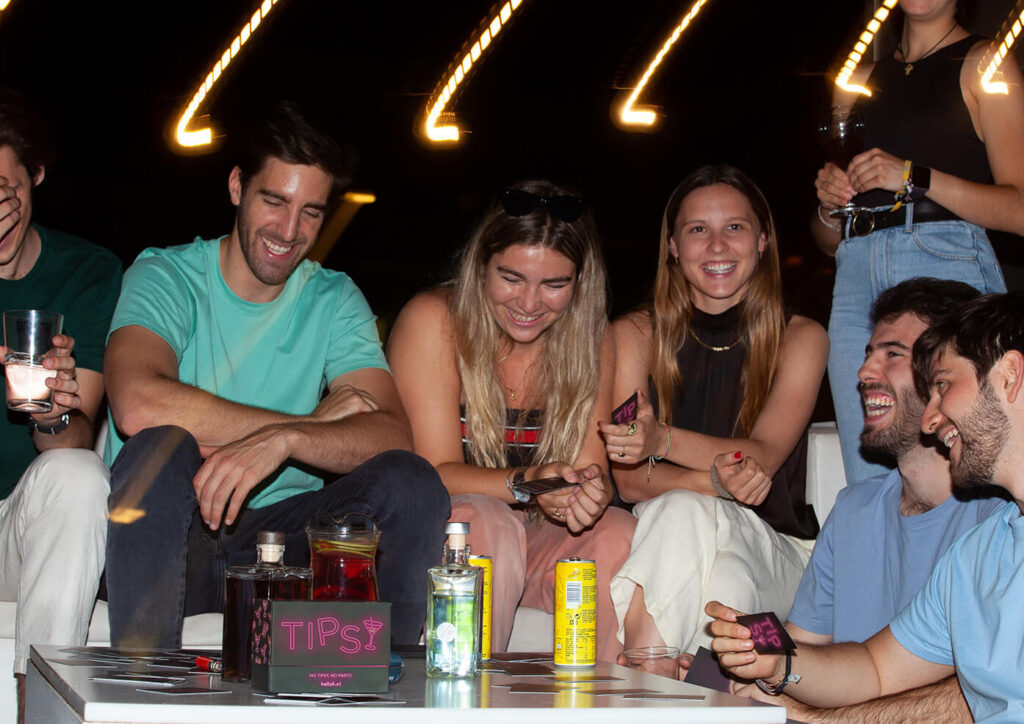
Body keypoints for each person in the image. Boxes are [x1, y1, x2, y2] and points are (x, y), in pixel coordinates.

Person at [103, 102, 449, 649]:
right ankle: (143, 691)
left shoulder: (333, 297)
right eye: (275, 201)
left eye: (312, 211)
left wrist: (285, 440)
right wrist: (305, 423)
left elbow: (392, 435)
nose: (290, 231)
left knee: (411, 482)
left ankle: (387, 683)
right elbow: (137, 404)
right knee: (161, 448)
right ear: (237, 186)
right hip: (174, 532)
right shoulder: (165, 274)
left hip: (279, 541)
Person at [709, 291, 1024, 723]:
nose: (933, 419)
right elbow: (876, 670)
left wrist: (817, 717)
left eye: (944, 384)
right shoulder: (984, 552)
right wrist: (778, 666)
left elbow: (967, 701)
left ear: (1008, 376)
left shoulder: (981, 530)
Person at [388, 180, 636, 660]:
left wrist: (588, 492)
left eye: (554, 285)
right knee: (488, 521)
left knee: (617, 532)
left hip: (536, 536)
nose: (528, 303)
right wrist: (528, 483)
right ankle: (467, 699)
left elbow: (588, 470)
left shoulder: (593, 338)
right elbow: (433, 473)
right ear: (481, 264)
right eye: (512, 278)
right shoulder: (434, 320)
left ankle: (593, 705)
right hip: (442, 531)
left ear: (580, 284)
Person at [600, 164, 827, 656]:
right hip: (674, 543)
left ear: (763, 240)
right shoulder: (633, 337)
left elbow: (761, 457)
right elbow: (631, 481)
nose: (717, 246)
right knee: (717, 566)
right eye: (698, 230)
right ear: (674, 247)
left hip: (781, 552)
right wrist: (716, 483)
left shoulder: (801, 338)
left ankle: (644, 671)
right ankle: (674, 680)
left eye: (735, 228)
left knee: (685, 510)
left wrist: (663, 441)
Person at [813, 0, 1022, 486]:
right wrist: (828, 202)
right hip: (855, 270)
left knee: (967, 463)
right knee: (870, 468)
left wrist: (916, 178)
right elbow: (824, 240)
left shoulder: (984, 63)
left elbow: (1020, 208)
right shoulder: (857, 78)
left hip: (942, 259)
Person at [0, 88, 121, 717]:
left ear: (36, 177)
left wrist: (55, 410)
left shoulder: (89, 273)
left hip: (17, 536)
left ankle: (36, 709)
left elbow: (72, 440)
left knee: (77, 476)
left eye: (5, 189)